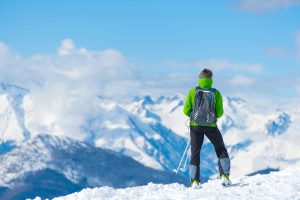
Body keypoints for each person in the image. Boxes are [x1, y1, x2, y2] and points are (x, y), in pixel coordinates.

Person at [183, 68, 231, 188]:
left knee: (195, 152)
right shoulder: (216, 93)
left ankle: (194, 181)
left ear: (200, 78)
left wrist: (194, 116)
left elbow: (185, 110)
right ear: (211, 79)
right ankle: (224, 175)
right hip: (211, 126)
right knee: (220, 149)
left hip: (195, 126)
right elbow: (219, 113)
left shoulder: (193, 91)